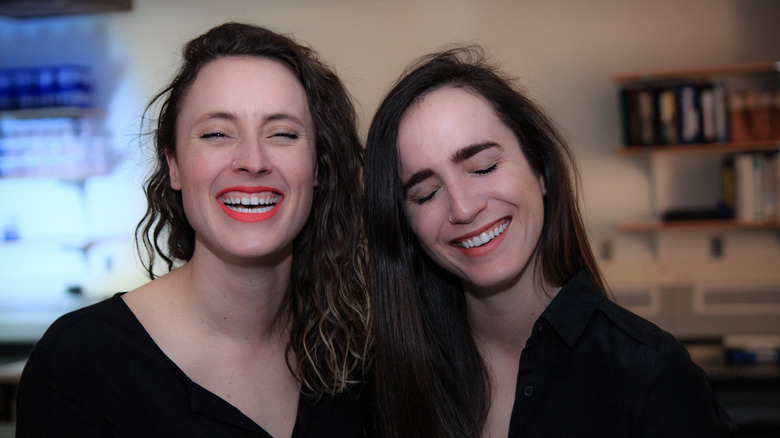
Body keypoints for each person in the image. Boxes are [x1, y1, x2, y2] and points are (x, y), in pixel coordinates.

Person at [16, 22, 371, 437]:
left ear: (317, 167)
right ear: (175, 166)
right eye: (217, 133)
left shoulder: (360, 352)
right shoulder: (78, 364)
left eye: (282, 133)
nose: (252, 160)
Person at [364, 46, 735, 438]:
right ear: (404, 224)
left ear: (540, 169)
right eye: (425, 193)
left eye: (483, 167)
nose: (463, 208)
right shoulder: (386, 381)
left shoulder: (652, 375)